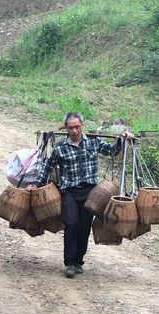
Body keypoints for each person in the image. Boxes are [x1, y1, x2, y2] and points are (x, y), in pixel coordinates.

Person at [26, 112, 134, 278]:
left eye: (77, 127)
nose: (74, 130)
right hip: (68, 191)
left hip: (90, 193)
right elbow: (48, 167)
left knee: (84, 228)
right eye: (71, 128)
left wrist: (122, 138)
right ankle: (69, 263)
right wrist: (36, 184)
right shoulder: (60, 148)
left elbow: (113, 150)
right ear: (66, 128)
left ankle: (78, 261)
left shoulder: (93, 142)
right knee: (72, 224)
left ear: (81, 126)